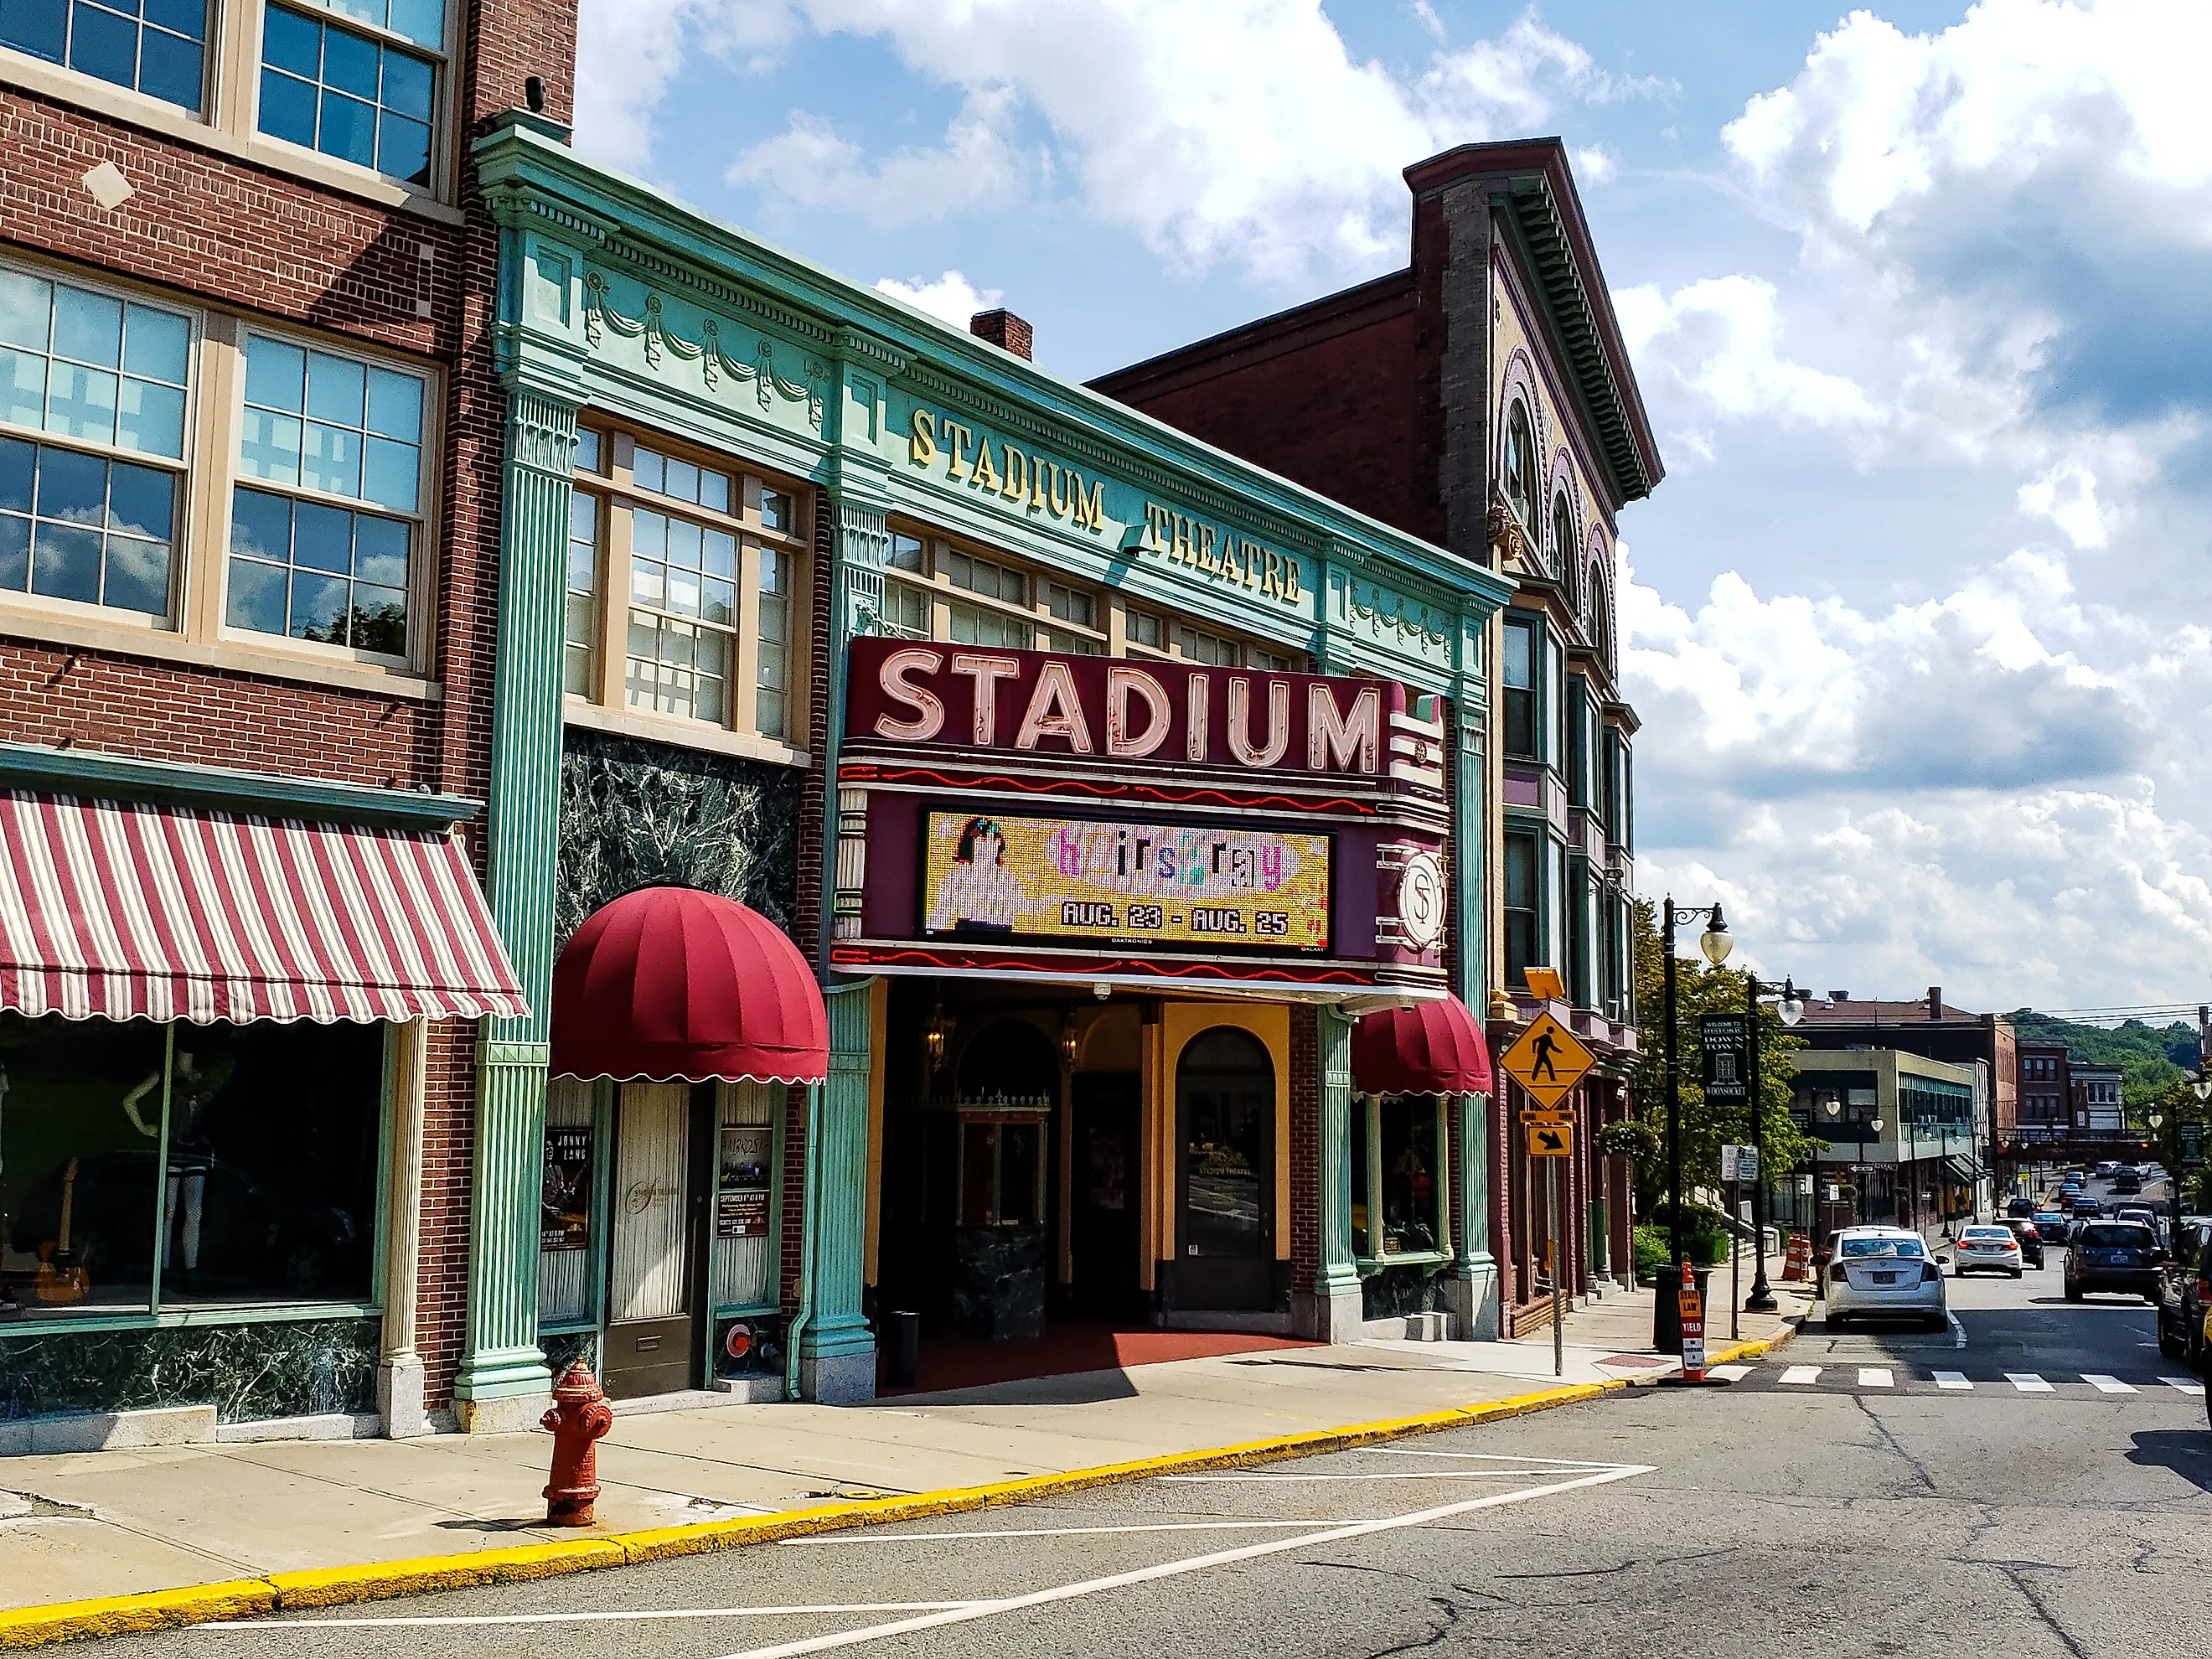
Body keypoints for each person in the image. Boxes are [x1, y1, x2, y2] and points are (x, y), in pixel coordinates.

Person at [123, 1046, 234, 1284]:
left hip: (196, 1150)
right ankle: (163, 1268)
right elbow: (129, 1100)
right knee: (169, 1211)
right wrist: (144, 1127)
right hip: (174, 1148)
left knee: (193, 1212)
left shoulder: (200, 1078)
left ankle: (189, 1267)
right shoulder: (164, 1075)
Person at [926, 816, 1026, 933]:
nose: (989, 844)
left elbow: (1023, 907)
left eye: (994, 840)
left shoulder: (1008, 879)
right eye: (983, 840)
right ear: (971, 844)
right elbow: (941, 914)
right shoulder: (957, 877)